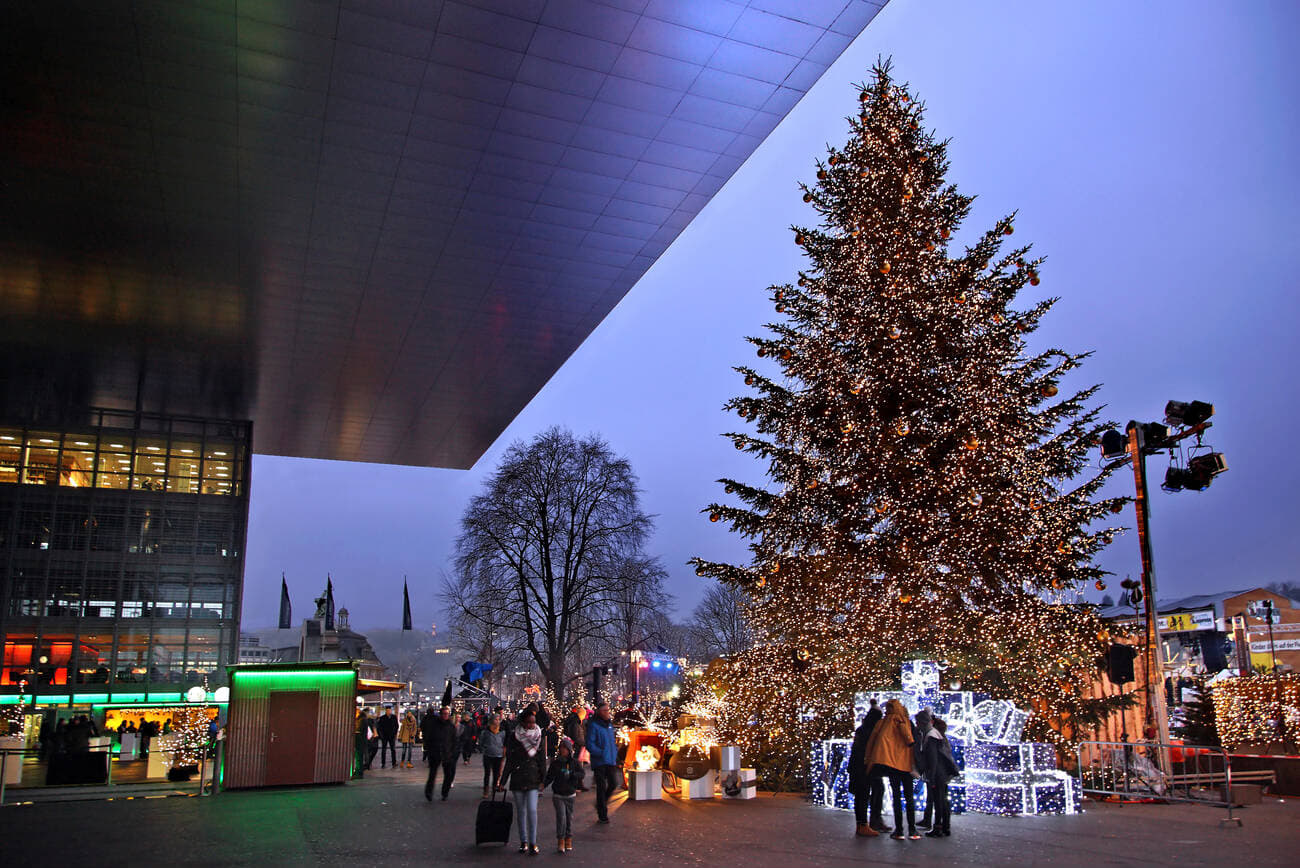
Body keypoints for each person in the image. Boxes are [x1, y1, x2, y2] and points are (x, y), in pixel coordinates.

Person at [864, 698, 919, 840]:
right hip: (906, 765)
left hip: (892, 765)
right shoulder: (907, 721)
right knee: (909, 797)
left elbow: (872, 742)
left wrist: (869, 760)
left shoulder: (882, 723)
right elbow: (913, 742)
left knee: (896, 797)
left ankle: (899, 830)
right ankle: (912, 830)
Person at [499, 708, 546, 855]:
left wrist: (543, 779)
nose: (532, 725)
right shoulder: (514, 737)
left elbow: (541, 760)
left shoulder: (539, 736)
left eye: (533, 722)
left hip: (532, 776)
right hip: (519, 775)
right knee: (521, 811)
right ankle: (523, 841)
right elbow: (510, 761)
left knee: (532, 810)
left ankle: (533, 842)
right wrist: (503, 779)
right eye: (529, 722)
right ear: (523, 722)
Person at [544, 736, 584, 853]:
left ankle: (568, 838)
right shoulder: (556, 763)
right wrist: (543, 785)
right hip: (558, 794)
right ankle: (560, 839)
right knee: (561, 817)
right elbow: (550, 776)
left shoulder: (575, 763)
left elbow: (581, 774)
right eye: (561, 748)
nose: (563, 750)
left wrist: (572, 775)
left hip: (570, 793)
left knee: (569, 817)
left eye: (565, 748)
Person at [848, 698, 882, 836]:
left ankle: (863, 824)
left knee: (862, 795)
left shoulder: (861, 730)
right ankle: (863, 824)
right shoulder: (870, 733)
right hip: (863, 767)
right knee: (863, 795)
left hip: (857, 767)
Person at [922, 718, 959, 838]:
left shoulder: (933, 737)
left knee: (938, 800)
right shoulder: (943, 738)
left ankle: (938, 827)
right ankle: (945, 826)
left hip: (937, 773)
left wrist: (930, 775)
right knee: (943, 799)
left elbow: (933, 759)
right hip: (944, 773)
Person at [585, 702, 618, 824]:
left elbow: (612, 741)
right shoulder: (594, 725)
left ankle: (601, 804)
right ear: (599, 711)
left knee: (613, 783)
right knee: (601, 786)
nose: (607, 712)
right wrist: (600, 752)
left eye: (608, 710)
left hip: (610, 759)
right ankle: (602, 814)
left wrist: (614, 753)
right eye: (604, 710)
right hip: (600, 760)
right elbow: (590, 743)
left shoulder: (609, 725)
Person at [423, 705, 459, 801]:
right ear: (440, 714)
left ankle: (445, 793)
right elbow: (428, 738)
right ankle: (429, 793)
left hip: (446, 753)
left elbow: (454, 740)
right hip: (435, 752)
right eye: (443, 714)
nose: (445, 716)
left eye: (446, 714)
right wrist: (429, 750)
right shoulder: (434, 725)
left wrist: (452, 752)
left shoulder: (451, 726)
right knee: (433, 774)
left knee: (447, 774)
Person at [913, 708, 934, 830]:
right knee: (931, 796)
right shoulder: (923, 733)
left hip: (931, 769)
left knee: (933, 796)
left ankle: (936, 823)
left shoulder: (930, 734)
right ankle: (929, 819)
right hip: (927, 768)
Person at [478, 713, 506, 798]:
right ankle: (486, 790)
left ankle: (494, 789)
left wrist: (503, 751)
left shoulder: (502, 732)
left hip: (498, 755)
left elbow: (504, 742)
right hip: (488, 755)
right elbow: (481, 742)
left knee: (496, 774)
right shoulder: (486, 731)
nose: (497, 721)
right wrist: (484, 749)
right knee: (487, 773)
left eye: (498, 720)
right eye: (495, 719)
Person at [354, 709, 371, 778]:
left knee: (359, 757)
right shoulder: (362, 719)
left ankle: (359, 772)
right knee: (359, 756)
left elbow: (359, 730)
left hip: (360, 740)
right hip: (361, 740)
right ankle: (359, 771)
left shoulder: (361, 720)